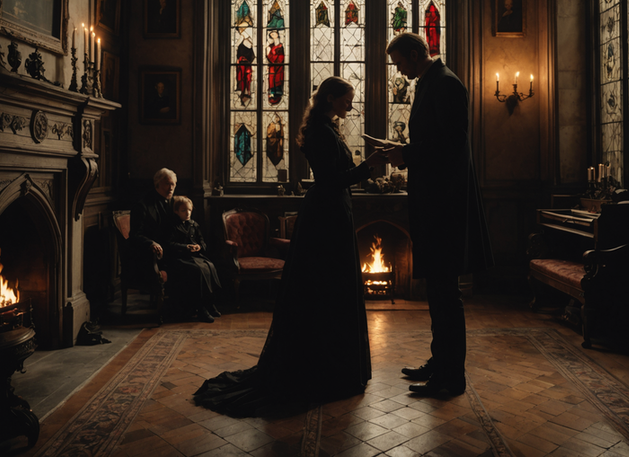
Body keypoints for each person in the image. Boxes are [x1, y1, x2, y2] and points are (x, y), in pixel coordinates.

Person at [194, 77, 387, 416]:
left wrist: (365, 166)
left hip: (333, 213)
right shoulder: (319, 132)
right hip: (326, 217)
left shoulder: (328, 127)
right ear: (330, 98)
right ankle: (319, 370)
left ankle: (334, 367)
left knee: (333, 291)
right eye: (346, 100)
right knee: (322, 291)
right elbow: (330, 181)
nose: (350, 106)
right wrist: (368, 167)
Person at [381, 33, 493, 397]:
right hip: (434, 204)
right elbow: (435, 140)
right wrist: (404, 150)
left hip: (445, 207)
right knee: (438, 292)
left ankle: (450, 377)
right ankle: (439, 362)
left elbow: (450, 144)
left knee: (446, 294)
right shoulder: (431, 82)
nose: (399, 71)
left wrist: (406, 155)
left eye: (400, 63)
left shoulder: (446, 84)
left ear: (415, 55)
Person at [164, 196, 222, 323]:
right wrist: (186, 247)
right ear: (176, 211)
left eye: (189, 210)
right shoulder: (172, 226)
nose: (187, 213)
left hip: (194, 256)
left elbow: (202, 242)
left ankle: (209, 303)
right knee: (197, 270)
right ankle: (200, 308)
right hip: (179, 258)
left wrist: (199, 247)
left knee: (209, 266)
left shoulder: (194, 225)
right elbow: (168, 244)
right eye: (184, 210)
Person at [130, 167, 177, 263]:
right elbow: (135, 234)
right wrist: (151, 243)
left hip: (173, 250)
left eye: (173, 184)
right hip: (153, 254)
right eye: (167, 184)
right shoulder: (143, 205)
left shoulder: (175, 203)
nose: (171, 188)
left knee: (206, 267)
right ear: (157, 184)